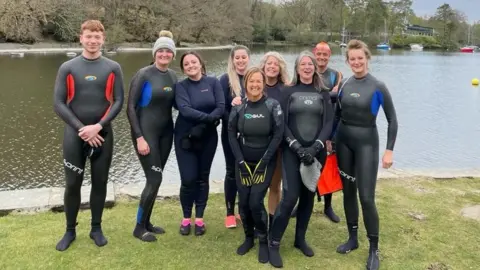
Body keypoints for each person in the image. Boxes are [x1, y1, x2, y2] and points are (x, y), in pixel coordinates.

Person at [53, 20, 124, 251]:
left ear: (103, 39)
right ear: (81, 38)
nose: (93, 41)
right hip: (75, 134)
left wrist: (98, 126)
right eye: (88, 36)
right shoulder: (68, 67)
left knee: (100, 182)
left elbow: (118, 101)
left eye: (97, 37)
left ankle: (96, 228)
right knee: (73, 184)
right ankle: (70, 230)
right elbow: (59, 103)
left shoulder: (113, 67)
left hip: (103, 134)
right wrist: (82, 129)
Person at [328, 39, 398, 270]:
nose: (356, 62)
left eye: (360, 58)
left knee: (366, 197)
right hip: (344, 142)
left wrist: (389, 150)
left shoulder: (378, 86)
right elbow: (337, 115)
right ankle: (352, 238)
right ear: (347, 61)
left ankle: (373, 248)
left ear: (367, 59)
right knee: (348, 192)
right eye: (352, 59)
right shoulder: (345, 84)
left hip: (367, 143)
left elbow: (392, 120)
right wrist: (330, 140)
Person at [268, 51, 334, 268]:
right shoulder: (289, 91)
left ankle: (300, 239)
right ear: (297, 68)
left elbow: (328, 124)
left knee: (307, 198)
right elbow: (283, 123)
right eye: (303, 64)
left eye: (310, 64)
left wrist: (316, 147)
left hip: (316, 153)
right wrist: (294, 145)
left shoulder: (323, 92)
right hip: (291, 151)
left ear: (315, 68)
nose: (307, 67)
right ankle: (274, 242)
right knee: (290, 197)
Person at [228, 66, 284, 263]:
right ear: (246, 84)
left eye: (258, 81)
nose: (255, 84)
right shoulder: (238, 107)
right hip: (243, 162)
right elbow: (231, 135)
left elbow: (278, 134)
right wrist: (240, 161)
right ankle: (248, 238)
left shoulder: (272, 105)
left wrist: (265, 160)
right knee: (243, 203)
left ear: (263, 84)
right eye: (251, 81)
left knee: (255, 202)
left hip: (264, 163)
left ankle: (263, 240)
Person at [126, 30, 178, 242]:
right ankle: (139, 227)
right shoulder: (143, 74)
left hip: (166, 134)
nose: (164, 54)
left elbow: (178, 104)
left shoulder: (173, 76)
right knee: (154, 178)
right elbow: (130, 107)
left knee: (155, 179)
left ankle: (147, 222)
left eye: (168, 51)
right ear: (155, 52)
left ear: (173, 55)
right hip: (146, 134)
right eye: (161, 50)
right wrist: (139, 137)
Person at [174, 51, 225, 236]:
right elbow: (185, 110)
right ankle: (186, 218)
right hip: (184, 137)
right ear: (183, 68)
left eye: (193, 62)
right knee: (188, 179)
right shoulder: (180, 86)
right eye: (186, 64)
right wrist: (210, 119)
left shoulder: (213, 82)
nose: (190, 66)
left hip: (208, 138)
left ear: (201, 63)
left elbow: (221, 106)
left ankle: (200, 219)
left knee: (203, 178)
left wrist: (208, 122)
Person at [291, 42, 341, 223]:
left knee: (327, 169)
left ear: (329, 55)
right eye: (318, 54)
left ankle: (328, 206)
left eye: (325, 54)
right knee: (303, 169)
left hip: (328, 126)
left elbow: (337, 101)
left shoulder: (336, 75)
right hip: (307, 127)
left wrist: (330, 136)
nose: (321, 57)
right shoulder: (305, 71)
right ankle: (299, 204)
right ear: (314, 54)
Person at [257, 51, 290, 232]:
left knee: (274, 186)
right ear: (263, 65)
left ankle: (272, 223)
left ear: (280, 69)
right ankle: (256, 221)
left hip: (278, 146)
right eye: (269, 63)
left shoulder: (286, 89)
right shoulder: (256, 86)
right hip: (257, 145)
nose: (271, 67)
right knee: (257, 187)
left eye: (275, 64)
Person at [219, 45, 251, 228]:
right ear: (232, 60)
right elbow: (220, 107)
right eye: (237, 58)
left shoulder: (254, 76)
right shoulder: (225, 80)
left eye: (243, 57)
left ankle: (243, 209)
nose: (240, 61)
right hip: (230, 134)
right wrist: (232, 118)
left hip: (252, 135)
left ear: (248, 58)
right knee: (232, 171)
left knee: (247, 171)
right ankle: (230, 213)